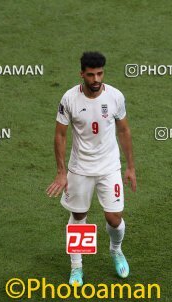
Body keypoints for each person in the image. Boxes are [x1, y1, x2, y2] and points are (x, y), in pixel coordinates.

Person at [46, 52, 137, 286]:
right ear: (82, 74)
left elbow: (124, 131)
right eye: (91, 74)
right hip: (80, 168)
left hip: (109, 167)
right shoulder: (69, 99)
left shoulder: (115, 97)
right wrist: (61, 171)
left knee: (114, 217)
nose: (96, 79)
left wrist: (130, 167)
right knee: (78, 216)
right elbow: (60, 134)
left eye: (100, 73)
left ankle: (115, 250)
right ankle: (77, 267)